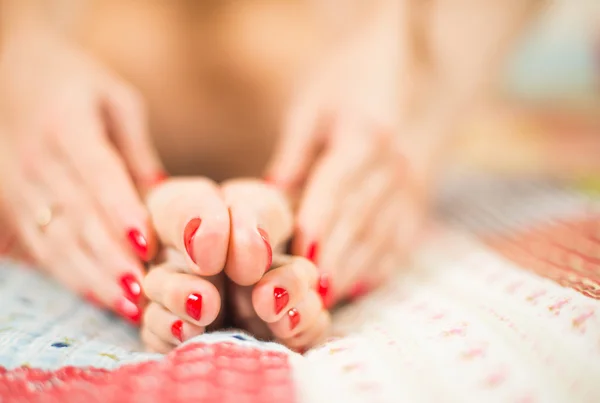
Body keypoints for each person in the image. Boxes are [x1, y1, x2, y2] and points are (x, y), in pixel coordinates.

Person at [0, 0, 541, 352]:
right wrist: (14, 54)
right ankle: (234, 231)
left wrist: (407, 50)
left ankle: (234, 229)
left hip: (340, 57)